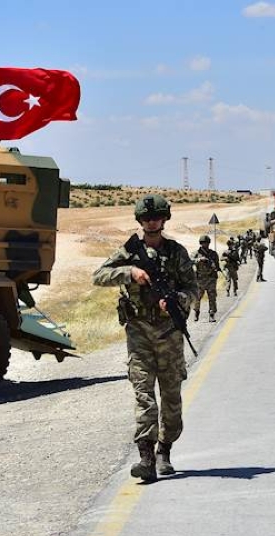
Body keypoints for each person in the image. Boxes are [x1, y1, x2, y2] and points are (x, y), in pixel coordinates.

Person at [92, 194, 197, 481]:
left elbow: (193, 289)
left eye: (157, 218)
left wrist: (177, 300)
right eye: (147, 218)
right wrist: (130, 271)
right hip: (138, 332)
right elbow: (98, 275)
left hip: (169, 334)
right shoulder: (130, 249)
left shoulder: (176, 253)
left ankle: (165, 449)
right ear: (139, 220)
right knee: (143, 396)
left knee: (172, 400)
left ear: (164, 219)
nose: (152, 222)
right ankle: (146, 458)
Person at [192, 234, 221, 322]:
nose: (205, 245)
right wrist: (199, 260)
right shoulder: (196, 254)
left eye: (207, 243)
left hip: (211, 279)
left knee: (212, 297)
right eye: (203, 243)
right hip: (199, 280)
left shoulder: (213, 254)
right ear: (200, 243)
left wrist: (212, 265)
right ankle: (196, 312)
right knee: (197, 298)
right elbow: (189, 262)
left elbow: (217, 266)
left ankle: (212, 314)